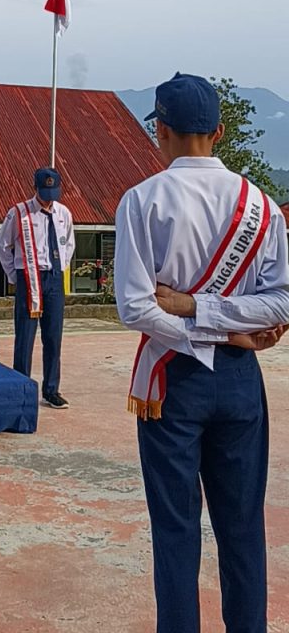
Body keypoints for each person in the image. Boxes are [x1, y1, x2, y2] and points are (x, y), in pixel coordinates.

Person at [114, 72, 289, 633]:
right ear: (219, 132)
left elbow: (134, 308)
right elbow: (280, 300)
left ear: (160, 130)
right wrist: (229, 330)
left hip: (170, 381)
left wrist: (195, 311)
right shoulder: (261, 205)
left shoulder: (141, 200)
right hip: (239, 377)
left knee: (175, 531)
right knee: (243, 529)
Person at [0, 168, 75, 409]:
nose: (49, 199)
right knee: (25, 337)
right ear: (35, 188)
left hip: (54, 278)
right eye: (45, 193)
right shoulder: (19, 213)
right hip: (29, 277)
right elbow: (2, 245)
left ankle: (51, 390)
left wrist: (60, 267)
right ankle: (21, 388)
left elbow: (69, 243)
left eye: (53, 193)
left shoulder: (63, 213)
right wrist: (14, 275)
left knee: (53, 337)